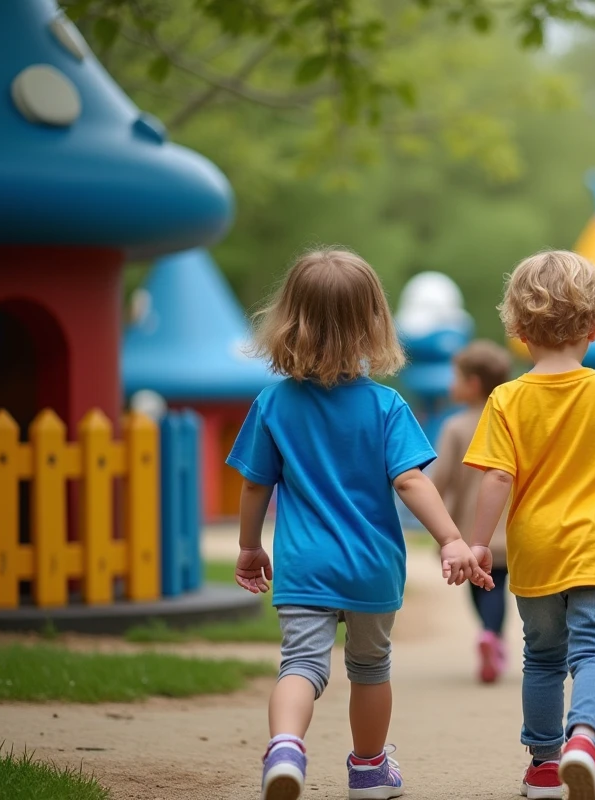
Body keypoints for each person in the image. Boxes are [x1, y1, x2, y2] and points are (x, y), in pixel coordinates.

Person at [227, 247, 491, 800]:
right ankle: (369, 770)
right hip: (372, 566)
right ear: (374, 324)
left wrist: (251, 547)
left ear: (288, 319)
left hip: (304, 565)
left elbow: (255, 484)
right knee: (370, 667)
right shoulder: (387, 406)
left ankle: (285, 750)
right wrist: (451, 538)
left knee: (301, 663)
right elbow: (412, 481)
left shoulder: (273, 403)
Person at [463, 250, 595, 800]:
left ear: (518, 328)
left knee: (542, 656)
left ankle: (545, 766)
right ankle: (586, 740)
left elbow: (496, 479)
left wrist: (479, 543)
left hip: (535, 549)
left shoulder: (506, 398)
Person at [431, 339, 513, 684]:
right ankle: (492, 636)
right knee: (498, 584)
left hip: (468, 532)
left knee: (479, 588)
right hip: (509, 529)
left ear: (474, 383)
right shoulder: (513, 421)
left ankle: (487, 635)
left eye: (457, 377)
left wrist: (438, 527)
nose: (452, 385)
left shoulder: (455, 426)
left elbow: (440, 480)